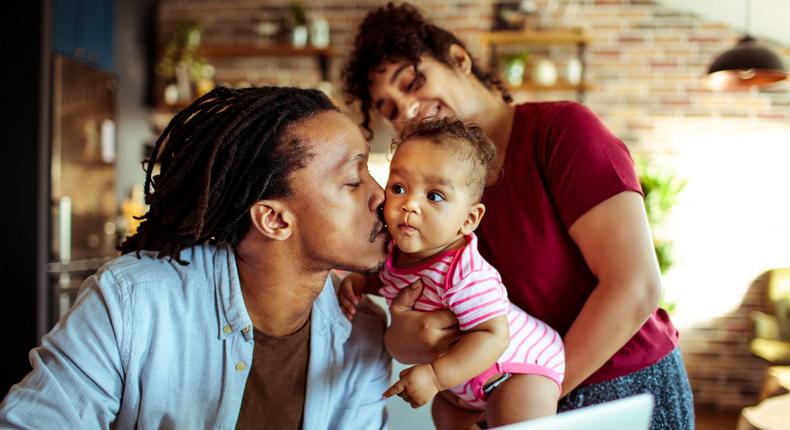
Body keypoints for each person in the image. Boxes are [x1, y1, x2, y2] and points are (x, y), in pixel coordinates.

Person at [342, 3, 694, 429]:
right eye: (391, 109)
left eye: (412, 82)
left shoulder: (561, 132)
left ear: (458, 58)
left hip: (619, 387)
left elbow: (635, 287)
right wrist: (408, 338)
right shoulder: (426, 199)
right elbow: (428, 314)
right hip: (508, 395)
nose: (409, 109)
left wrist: (530, 399)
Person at [0, 86, 391, 429]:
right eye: (354, 182)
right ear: (273, 219)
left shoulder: (364, 330)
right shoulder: (129, 304)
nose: (382, 196)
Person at [339, 118, 564, 429]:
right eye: (399, 188)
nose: (409, 205)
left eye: (434, 196)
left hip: (517, 367)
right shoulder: (393, 251)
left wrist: (434, 376)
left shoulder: (464, 272)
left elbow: (494, 335)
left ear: (469, 219)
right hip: (460, 381)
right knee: (445, 417)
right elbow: (390, 279)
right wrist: (362, 282)